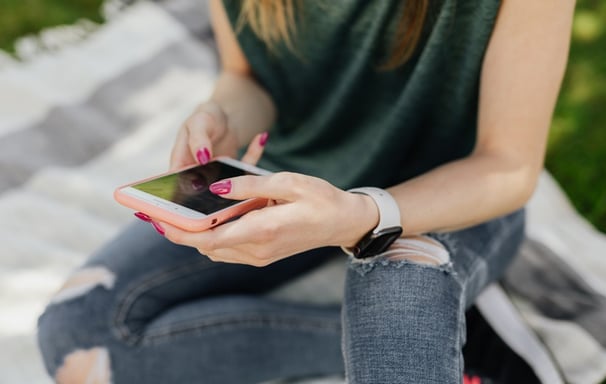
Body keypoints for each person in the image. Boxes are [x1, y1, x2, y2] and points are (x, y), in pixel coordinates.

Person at [37, 0, 575, 383]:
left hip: (448, 193)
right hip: (293, 175)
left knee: (396, 310)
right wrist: (225, 114)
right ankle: (459, 346)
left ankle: (434, 341)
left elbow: (506, 165)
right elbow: (248, 75)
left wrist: (357, 216)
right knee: (79, 336)